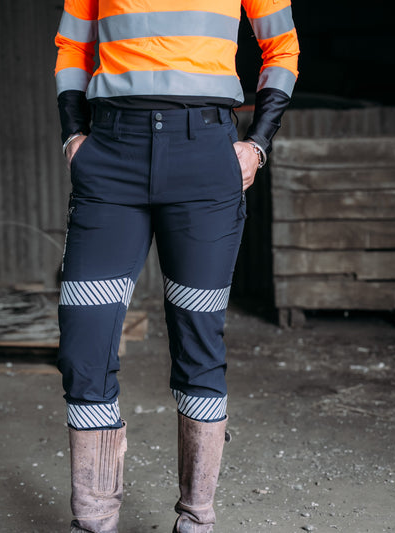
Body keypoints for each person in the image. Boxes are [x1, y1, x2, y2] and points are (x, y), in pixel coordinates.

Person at [54, 0, 299, 531]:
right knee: (84, 340)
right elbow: (72, 47)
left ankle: (197, 517)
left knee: (197, 335)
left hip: (204, 155)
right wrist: (73, 135)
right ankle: (93, 519)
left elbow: (283, 47)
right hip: (112, 154)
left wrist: (257, 144)